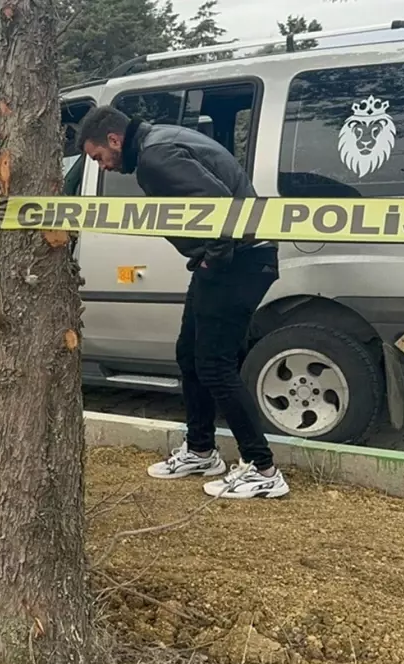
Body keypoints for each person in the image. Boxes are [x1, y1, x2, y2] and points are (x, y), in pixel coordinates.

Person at [77, 104, 289, 500]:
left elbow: (220, 206)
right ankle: (201, 450)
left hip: (239, 260)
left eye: (99, 157)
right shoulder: (161, 141)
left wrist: (213, 257)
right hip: (233, 258)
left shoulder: (155, 156)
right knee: (189, 354)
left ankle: (262, 468)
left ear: (114, 140)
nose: (102, 166)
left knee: (214, 363)